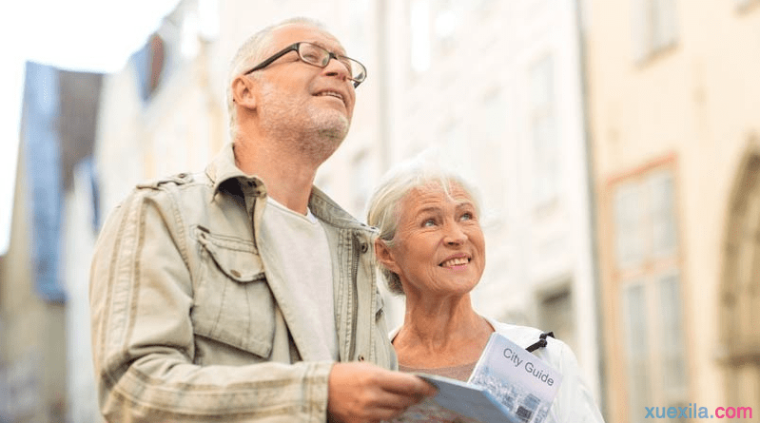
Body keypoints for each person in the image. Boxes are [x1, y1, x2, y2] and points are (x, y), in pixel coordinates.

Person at [89, 17, 434, 423]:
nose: (341, 70)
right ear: (245, 90)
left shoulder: (355, 251)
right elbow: (134, 389)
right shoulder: (163, 214)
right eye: (311, 55)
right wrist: (316, 394)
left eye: (347, 66)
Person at [366, 158, 606, 422]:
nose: (457, 236)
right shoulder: (368, 373)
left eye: (466, 216)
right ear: (386, 253)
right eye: (430, 222)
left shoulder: (544, 357)